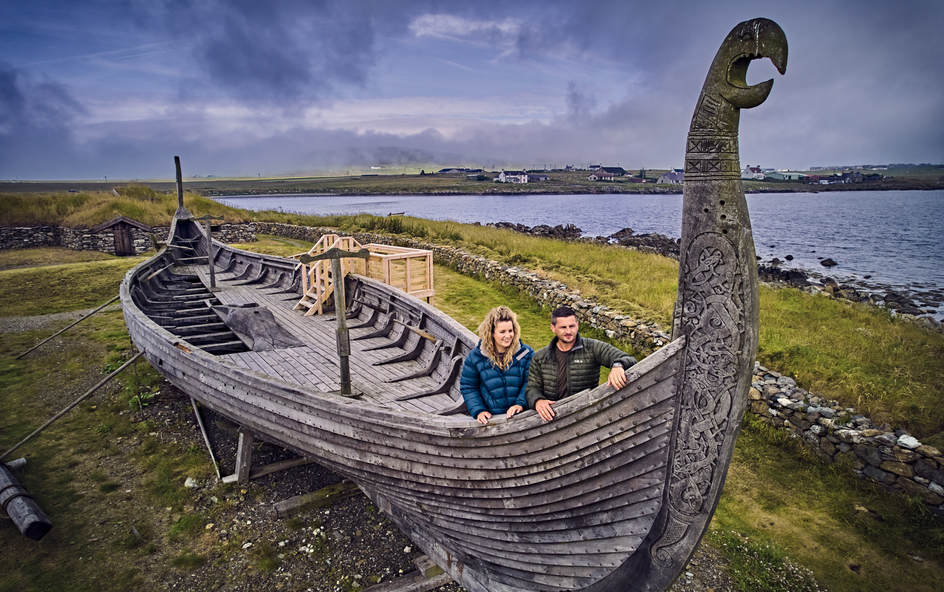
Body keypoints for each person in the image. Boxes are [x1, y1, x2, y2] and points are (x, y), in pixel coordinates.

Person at [526, 305, 637, 422]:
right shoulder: (540, 356)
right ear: (553, 328)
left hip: (585, 415)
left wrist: (618, 365)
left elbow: (627, 358)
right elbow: (532, 387)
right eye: (563, 327)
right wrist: (538, 401)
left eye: (572, 326)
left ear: (577, 325)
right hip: (552, 418)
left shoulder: (592, 347)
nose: (568, 331)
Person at [460, 306, 534, 425]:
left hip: (521, 415)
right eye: (502, 332)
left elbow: (531, 381)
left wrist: (520, 403)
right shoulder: (476, 357)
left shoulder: (525, 353)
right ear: (492, 333)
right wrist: (479, 410)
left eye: (510, 331)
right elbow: (468, 387)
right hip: (492, 418)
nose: (508, 335)